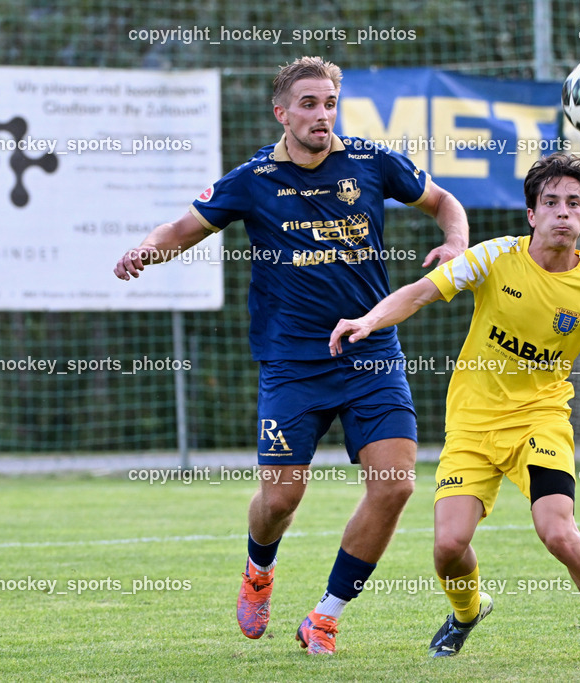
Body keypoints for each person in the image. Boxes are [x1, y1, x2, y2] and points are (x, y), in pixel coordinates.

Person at [113, 56, 468, 655]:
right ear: (282, 113)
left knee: (395, 485)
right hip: (292, 365)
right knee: (280, 500)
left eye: (329, 103)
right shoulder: (252, 179)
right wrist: (144, 251)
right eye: (308, 104)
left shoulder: (372, 161)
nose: (321, 116)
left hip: (370, 352)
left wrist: (456, 240)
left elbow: (443, 202)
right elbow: (181, 230)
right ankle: (259, 570)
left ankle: (325, 615)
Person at [329, 153, 580, 663]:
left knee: (558, 531)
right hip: (472, 427)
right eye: (550, 202)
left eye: (574, 203)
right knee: (447, 546)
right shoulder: (495, 257)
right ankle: (466, 612)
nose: (562, 212)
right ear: (532, 215)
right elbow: (420, 292)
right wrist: (369, 320)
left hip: (540, 422)